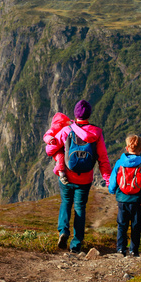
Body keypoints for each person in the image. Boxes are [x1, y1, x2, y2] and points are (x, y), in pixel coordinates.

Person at [45, 99, 112, 253]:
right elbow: (103, 159)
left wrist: (51, 140)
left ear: (75, 114)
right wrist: (108, 180)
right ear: (89, 114)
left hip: (67, 176)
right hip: (85, 178)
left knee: (66, 203)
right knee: (80, 208)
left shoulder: (67, 130)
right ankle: (76, 245)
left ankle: (63, 231)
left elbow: (50, 150)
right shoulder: (96, 133)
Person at [108, 134, 141, 257]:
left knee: (122, 224)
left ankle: (120, 249)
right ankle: (134, 250)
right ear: (140, 149)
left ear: (126, 147)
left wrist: (112, 190)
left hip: (122, 199)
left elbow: (113, 181)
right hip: (137, 199)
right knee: (136, 224)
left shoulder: (119, 163)